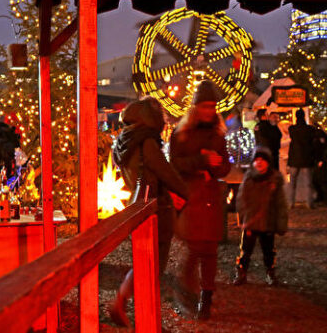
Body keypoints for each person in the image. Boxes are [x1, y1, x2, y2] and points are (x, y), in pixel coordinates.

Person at [108, 97, 190, 327]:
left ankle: (126, 305)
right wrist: (187, 193)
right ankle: (143, 315)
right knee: (154, 265)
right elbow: (166, 173)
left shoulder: (124, 141)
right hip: (156, 208)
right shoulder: (146, 143)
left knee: (144, 259)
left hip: (137, 205)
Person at [170, 80, 231, 320]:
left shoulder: (218, 134)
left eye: (212, 106)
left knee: (210, 251)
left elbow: (225, 165)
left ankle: (206, 297)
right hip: (192, 197)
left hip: (211, 198)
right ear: (196, 108)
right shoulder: (182, 134)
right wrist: (201, 160)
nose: (209, 111)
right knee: (195, 248)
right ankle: (187, 291)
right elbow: (175, 163)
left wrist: (217, 166)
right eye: (205, 106)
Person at [233, 146, 288, 287]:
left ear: (268, 163)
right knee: (246, 249)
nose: (259, 163)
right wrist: (244, 216)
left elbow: (280, 203)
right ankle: (241, 272)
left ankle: (270, 273)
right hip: (251, 221)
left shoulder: (274, 180)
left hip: (268, 221)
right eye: (256, 160)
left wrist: (281, 223)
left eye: (262, 160)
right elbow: (241, 199)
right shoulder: (249, 178)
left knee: (269, 250)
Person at [287, 108, 317, 209]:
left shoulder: (292, 129)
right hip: (307, 159)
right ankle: (309, 203)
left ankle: (291, 203)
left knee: (292, 183)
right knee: (308, 183)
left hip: (294, 159)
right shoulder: (310, 129)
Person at [311, 124, 327, 206]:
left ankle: (326, 199)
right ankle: (321, 197)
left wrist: (321, 160)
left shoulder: (318, 136)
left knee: (322, 180)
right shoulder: (319, 135)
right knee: (317, 180)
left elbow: (323, 149)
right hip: (320, 160)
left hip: (321, 161)